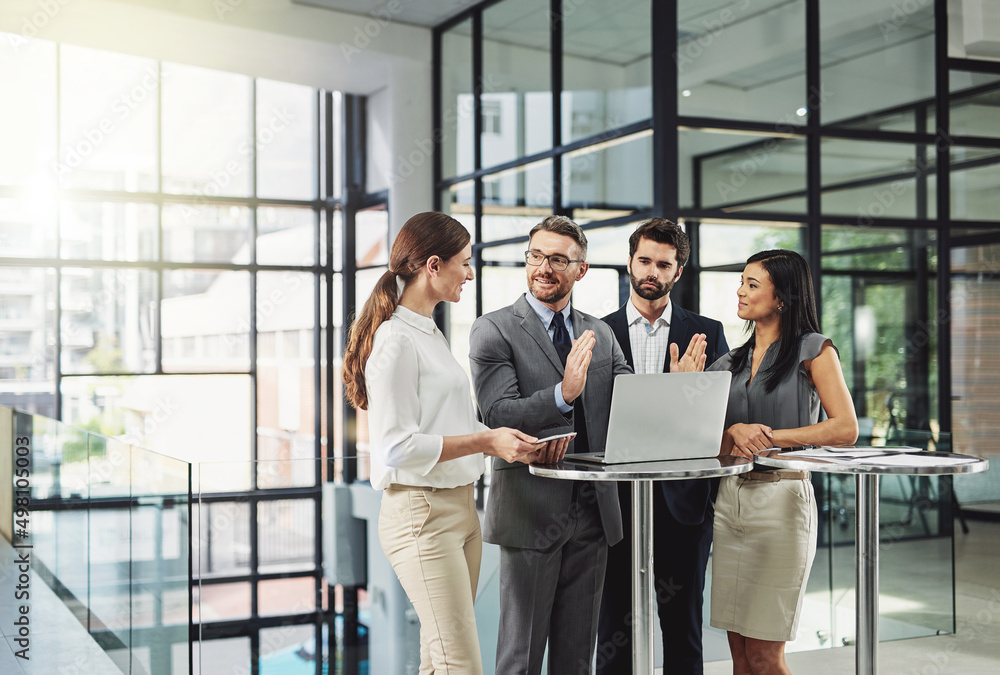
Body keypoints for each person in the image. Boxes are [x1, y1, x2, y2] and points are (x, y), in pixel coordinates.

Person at [342, 211, 565, 674]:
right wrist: (486, 441)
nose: (470, 272)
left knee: (438, 660)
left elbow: (444, 422)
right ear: (432, 266)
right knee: (459, 664)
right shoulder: (396, 340)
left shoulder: (428, 331)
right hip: (421, 514)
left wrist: (505, 441)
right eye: (464, 262)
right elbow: (395, 448)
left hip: (461, 509)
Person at [468, 215, 630, 675]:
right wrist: (563, 394)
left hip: (594, 514)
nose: (544, 267)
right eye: (536, 256)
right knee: (520, 658)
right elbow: (497, 413)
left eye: (558, 259)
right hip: (530, 510)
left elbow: (628, 407)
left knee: (576, 659)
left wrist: (674, 388)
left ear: (581, 270)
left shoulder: (600, 332)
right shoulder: (493, 329)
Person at [708, 249, 859, 675]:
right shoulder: (731, 361)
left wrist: (768, 437)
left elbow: (844, 428)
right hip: (729, 501)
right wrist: (724, 428)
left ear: (783, 298)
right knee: (738, 654)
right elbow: (706, 441)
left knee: (764, 655)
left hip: (782, 502)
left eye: (752, 284)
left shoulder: (815, 349)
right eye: (741, 281)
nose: (740, 291)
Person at [598, 219, 729, 675]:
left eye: (664, 264)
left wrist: (688, 390)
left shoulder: (707, 333)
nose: (652, 271)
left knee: (683, 629)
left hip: (684, 502)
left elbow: (715, 424)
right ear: (630, 262)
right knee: (613, 629)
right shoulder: (597, 333)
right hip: (616, 502)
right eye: (645, 260)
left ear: (678, 272)